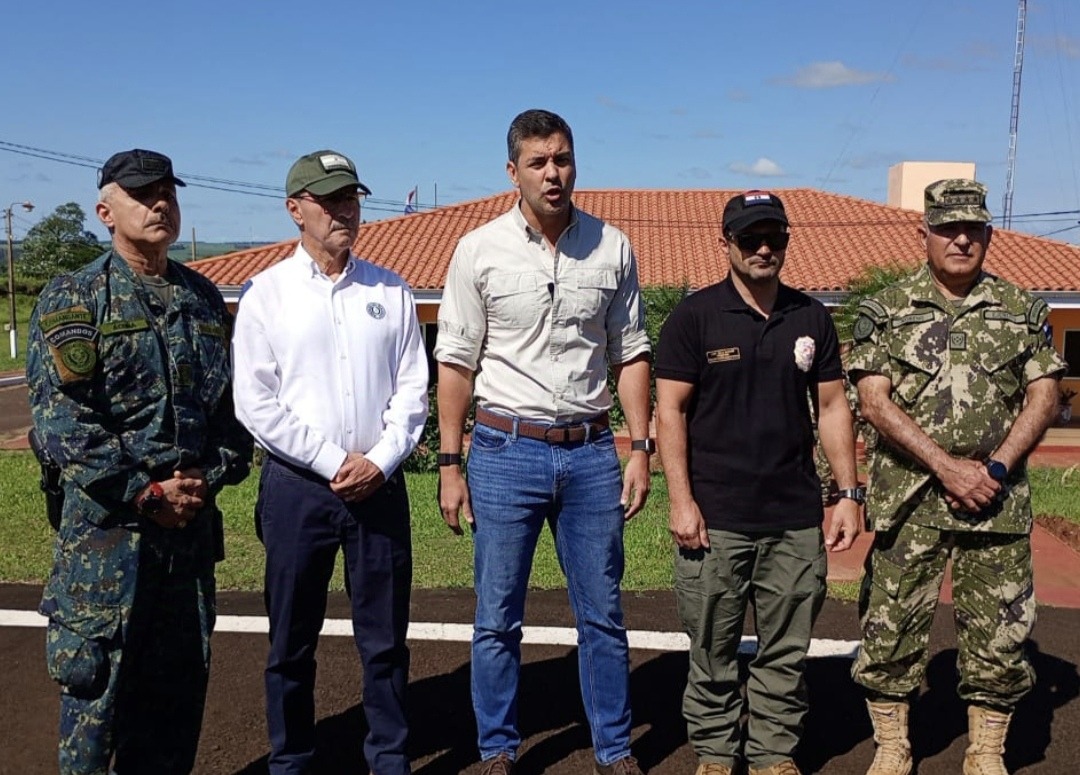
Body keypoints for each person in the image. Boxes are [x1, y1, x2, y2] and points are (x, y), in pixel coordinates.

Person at [435, 109, 652, 775]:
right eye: (538, 162)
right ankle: (498, 748)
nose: (553, 173)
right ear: (513, 171)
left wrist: (639, 446)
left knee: (604, 615)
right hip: (505, 450)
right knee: (497, 615)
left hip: (590, 453)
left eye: (562, 158)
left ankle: (613, 749)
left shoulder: (612, 247)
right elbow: (456, 362)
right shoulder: (478, 250)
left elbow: (632, 352)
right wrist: (450, 461)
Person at [27, 148, 252, 773]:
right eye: (141, 193)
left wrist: (209, 475)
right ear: (106, 210)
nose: (160, 203)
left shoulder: (204, 300)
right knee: (95, 714)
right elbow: (61, 425)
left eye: (168, 193)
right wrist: (145, 492)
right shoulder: (76, 295)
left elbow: (231, 416)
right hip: (108, 546)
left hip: (187, 543)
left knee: (177, 710)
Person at [848, 179, 1066, 775]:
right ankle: (893, 746)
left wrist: (992, 470)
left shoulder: (1023, 309)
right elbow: (873, 401)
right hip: (911, 499)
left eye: (973, 228)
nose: (961, 239)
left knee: (1000, 634)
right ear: (926, 233)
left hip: (995, 501)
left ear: (990, 234)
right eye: (948, 228)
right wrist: (948, 468)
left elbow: (1043, 397)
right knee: (890, 628)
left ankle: (986, 749)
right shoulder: (885, 310)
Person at [231, 150, 428, 775]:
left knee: (385, 642)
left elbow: (412, 391)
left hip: (379, 486)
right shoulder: (266, 294)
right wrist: (329, 458)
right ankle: (290, 760)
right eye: (330, 199)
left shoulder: (391, 290)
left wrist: (378, 459)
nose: (345, 209)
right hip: (298, 489)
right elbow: (254, 401)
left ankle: (389, 759)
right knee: (291, 641)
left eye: (352, 197)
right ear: (296, 209)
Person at [655, 190, 862, 775]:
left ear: (788, 241)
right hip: (715, 519)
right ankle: (717, 755)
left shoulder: (810, 317)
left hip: (794, 519)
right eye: (750, 238)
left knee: (785, 652)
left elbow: (832, 408)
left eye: (774, 237)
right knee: (713, 649)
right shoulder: (695, 317)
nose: (764, 248)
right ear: (726, 244)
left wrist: (847, 495)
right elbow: (669, 411)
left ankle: (774, 754)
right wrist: (681, 501)